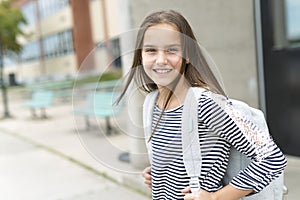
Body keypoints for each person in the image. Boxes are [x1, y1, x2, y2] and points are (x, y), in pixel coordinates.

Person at [117, 9, 287, 200]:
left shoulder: (207, 104)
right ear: (140, 56)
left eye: (171, 50)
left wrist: (217, 197)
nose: (161, 60)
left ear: (188, 55)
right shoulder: (151, 103)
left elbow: (272, 158)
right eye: (151, 50)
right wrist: (160, 175)